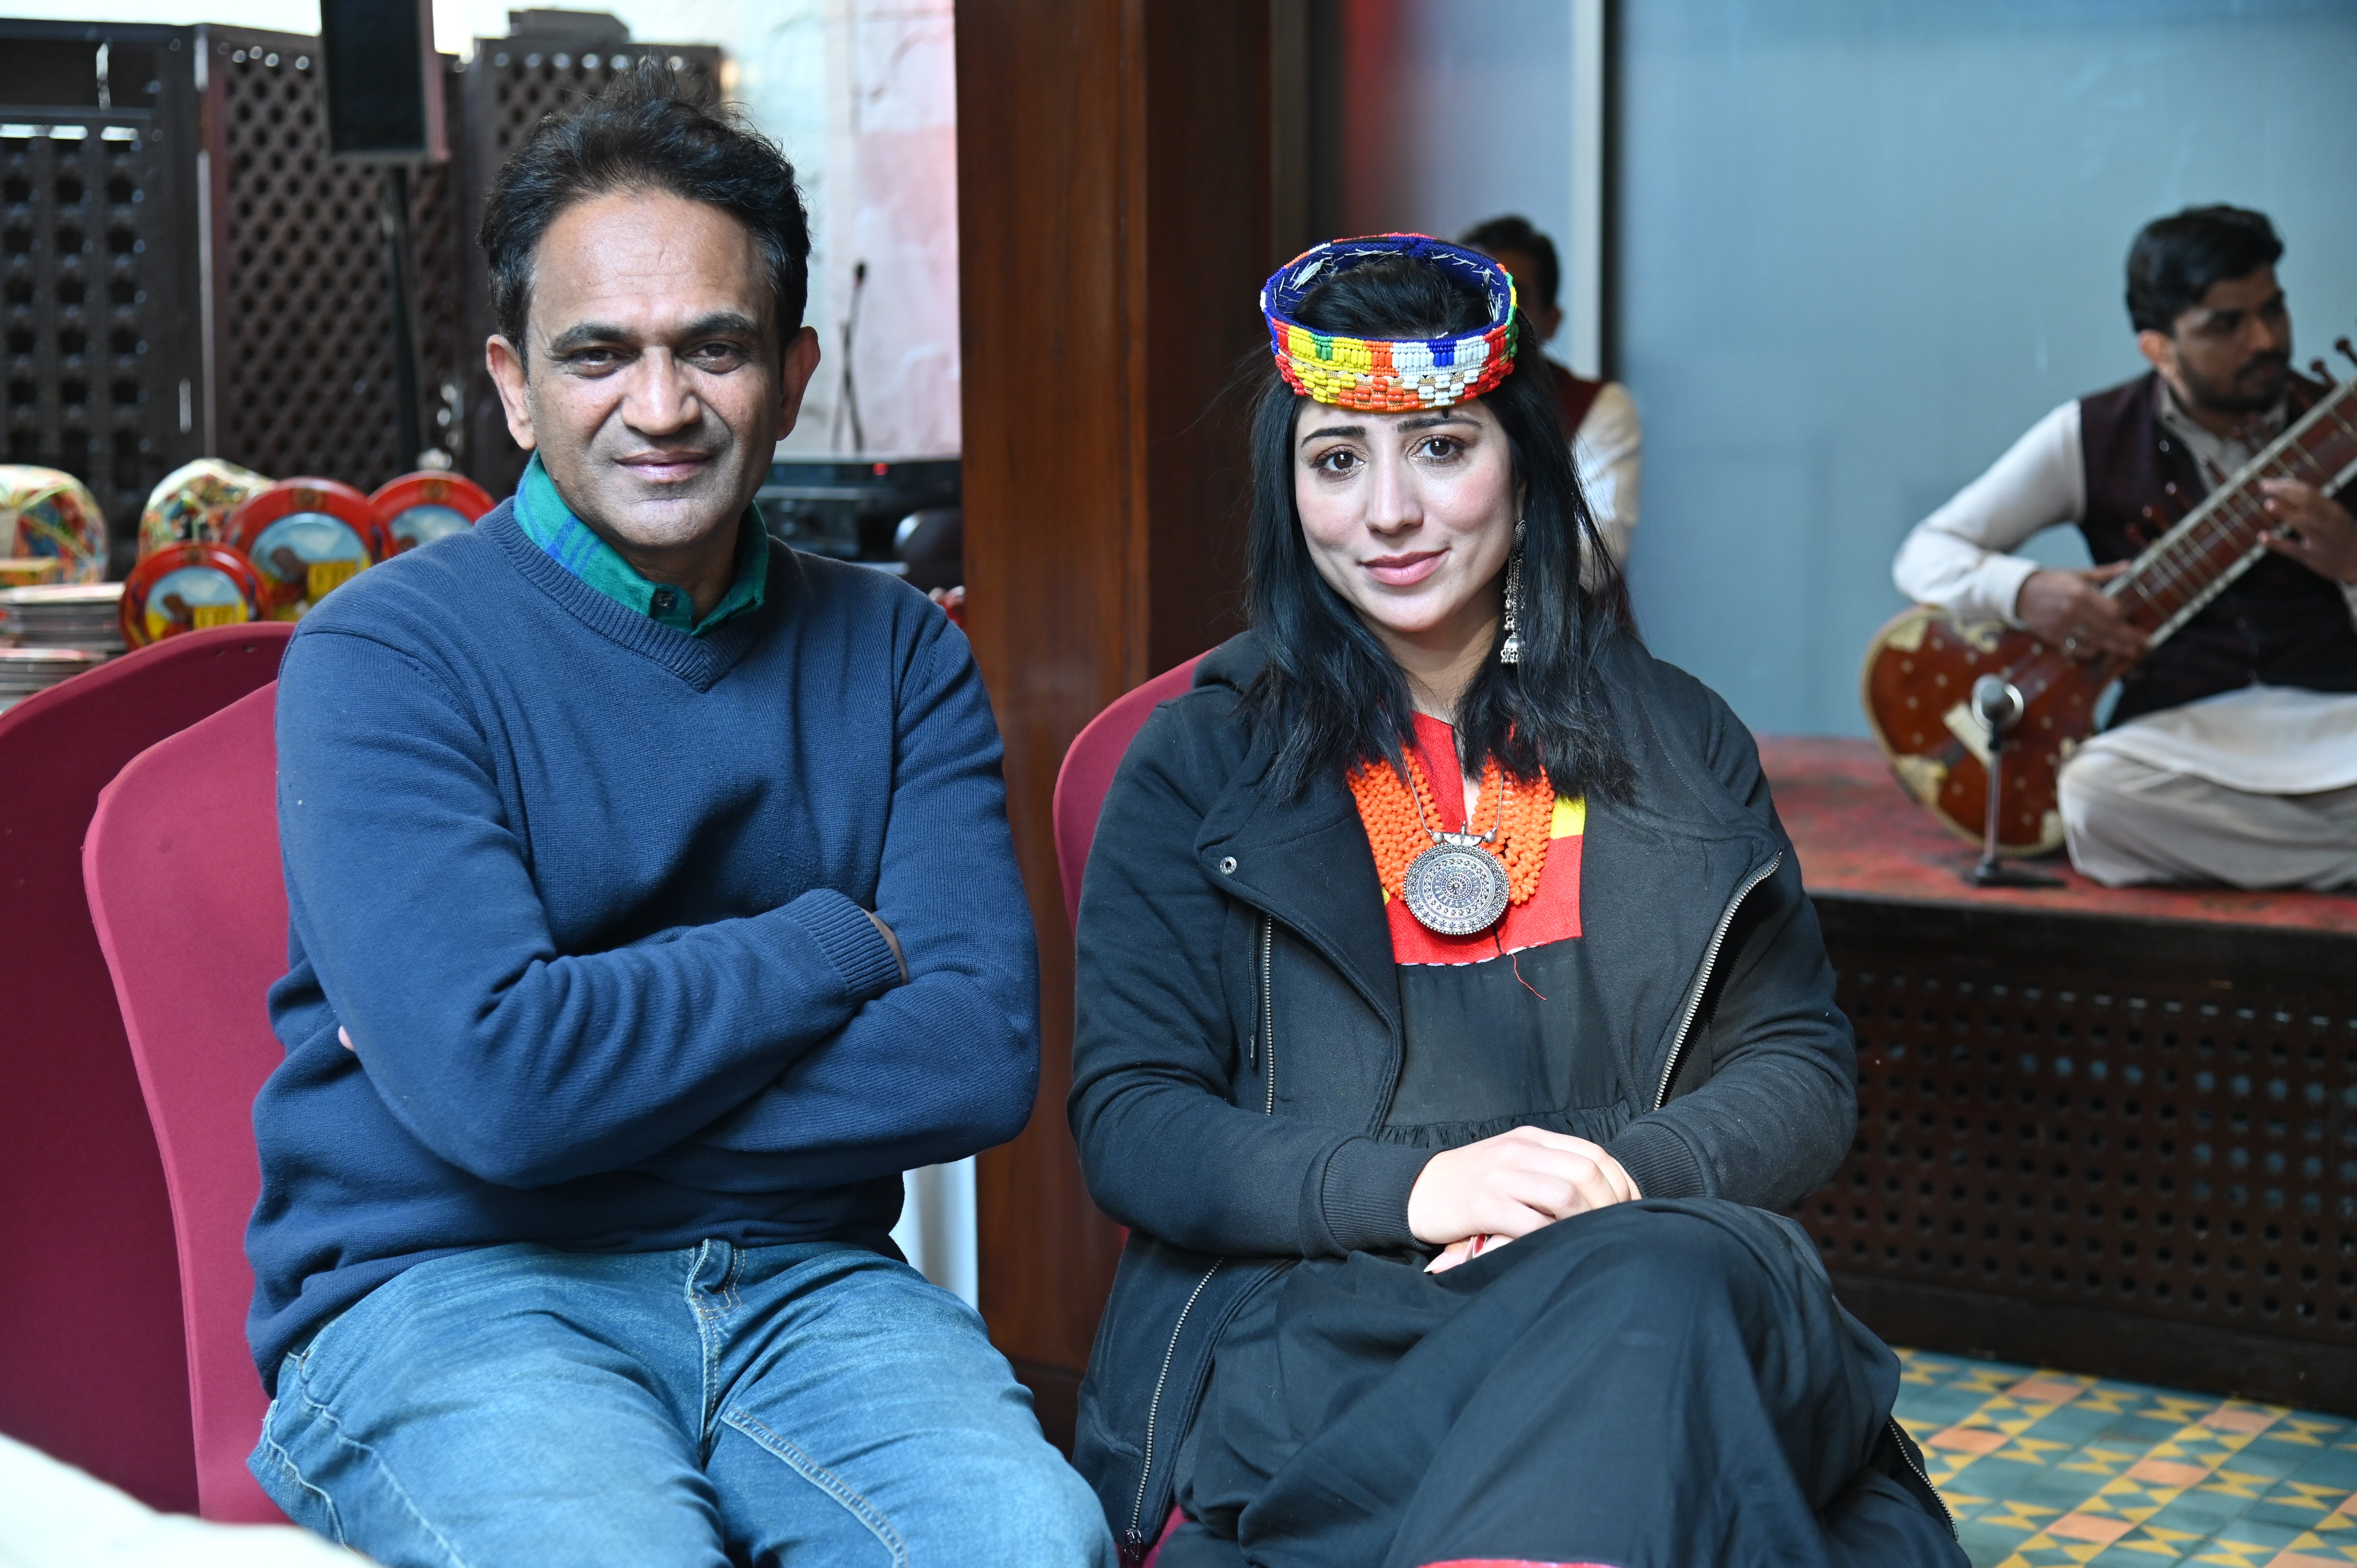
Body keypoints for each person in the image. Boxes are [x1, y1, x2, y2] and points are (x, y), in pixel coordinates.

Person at [245, 71, 1111, 1566]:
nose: (659, 408)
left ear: (790, 365)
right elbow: (498, 1088)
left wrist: (571, 1085)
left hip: (805, 1284)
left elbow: (976, 1058)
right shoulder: (385, 654)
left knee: (1028, 1541)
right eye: (599, 355)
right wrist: (825, 943)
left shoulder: (898, 649)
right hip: (447, 1279)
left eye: (711, 348)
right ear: (513, 384)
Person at [1067, 235, 1961, 1568]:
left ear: (1519, 460)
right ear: (1287, 491)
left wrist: (1613, 1183)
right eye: (1335, 460)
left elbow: (1795, 1067)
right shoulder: (1198, 764)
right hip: (1344, 1323)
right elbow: (1133, 1120)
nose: (1387, 512)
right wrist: (1424, 1183)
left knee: (1671, 1278)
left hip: (1660, 1271)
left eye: (1437, 447)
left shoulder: (1675, 736)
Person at [1893, 205, 2357, 888]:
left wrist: (2351, 564)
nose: (2264, 339)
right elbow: (1925, 552)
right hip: (2184, 745)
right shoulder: (2088, 436)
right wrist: (2025, 592)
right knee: (2093, 797)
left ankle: (2266, 855)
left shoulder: (2336, 431)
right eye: (2225, 324)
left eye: (2272, 309)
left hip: (2336, 727)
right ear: (2158, 348)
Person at [1461, 214, 1642, 572]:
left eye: (1514, 297)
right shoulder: (1421, 395)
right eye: (1471, 292)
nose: (1490, 312)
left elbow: (1594, 558)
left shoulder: (1597, 405)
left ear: (1551, 321)